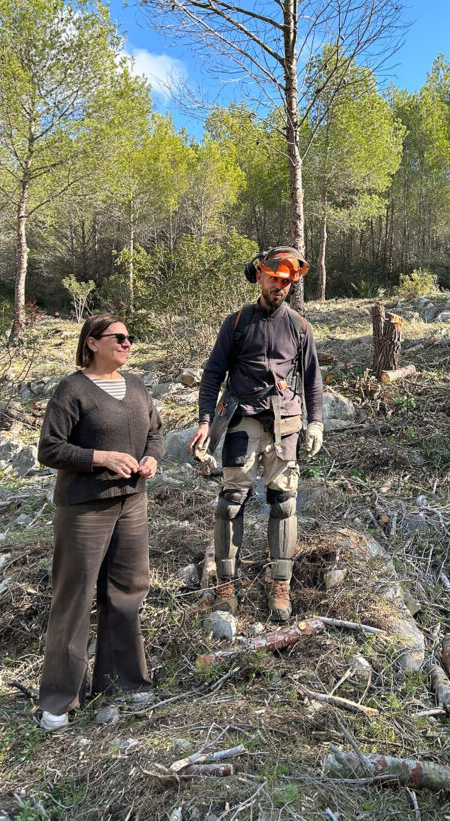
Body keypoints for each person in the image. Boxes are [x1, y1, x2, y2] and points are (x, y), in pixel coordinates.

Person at [36, 314, 163, 731]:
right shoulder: (72, 389)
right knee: (74, 597)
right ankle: (59, 699)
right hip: (84, 507)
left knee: (127, 592)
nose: (127, 344)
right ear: (91, 343)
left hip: (132, 504)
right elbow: (50, 449)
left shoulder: (138, 386)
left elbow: (155, 433)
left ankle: (124, 682)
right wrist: (100, 458)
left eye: (130, 338)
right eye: (119, 338)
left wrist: (152, 459)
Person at [188, 245, 324, 622]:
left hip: (286, 424)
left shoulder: (299, 326)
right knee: (231, 500)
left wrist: (316, 422)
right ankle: (226, 587)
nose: (279, 285)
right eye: (273, 277)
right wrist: (204, 421)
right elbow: (213, 373)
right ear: (259, 275)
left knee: (284, 502)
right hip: (242, 421)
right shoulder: (236, 323)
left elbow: (312, 378)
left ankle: (280, 583)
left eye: (286, 281)